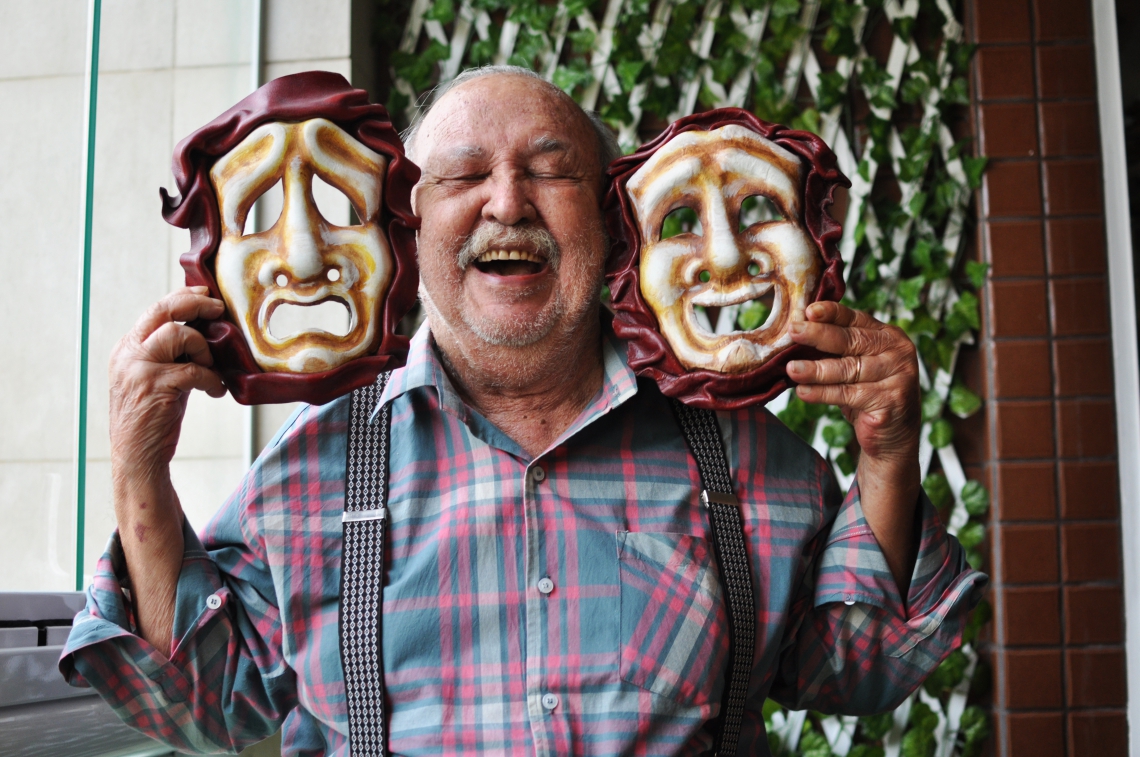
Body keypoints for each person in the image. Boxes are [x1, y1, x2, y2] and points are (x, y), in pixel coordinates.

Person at [61, 66, 985, 756]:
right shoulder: (313, 474)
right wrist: (139, 466)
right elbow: (202, 702)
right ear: (406, 224)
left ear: (614, 223)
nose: (508, 202)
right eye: (463, 177)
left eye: (551, 171)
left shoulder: (743, 460)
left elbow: (856, 666)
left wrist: (891, 452)